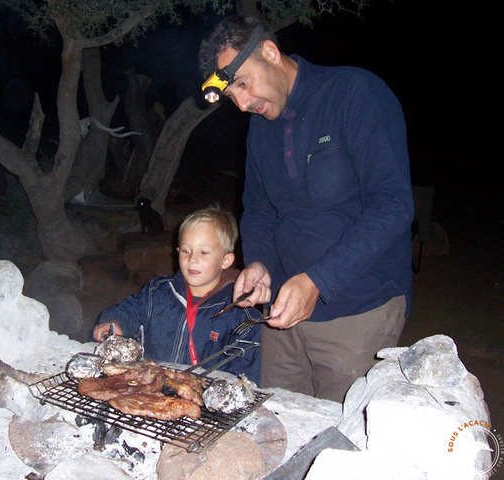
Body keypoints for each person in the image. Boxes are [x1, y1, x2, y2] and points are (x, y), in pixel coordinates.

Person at [198, 16, 414, 402]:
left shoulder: (353, 93)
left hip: (357, 312)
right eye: (233, 96)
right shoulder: (262, 125)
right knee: (281, 424)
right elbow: (259, 209)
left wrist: (317, 280)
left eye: (243, 84)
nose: (243, 104)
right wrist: (260, 263)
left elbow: (393, 205)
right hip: (281, 315)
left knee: (340, 438)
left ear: (269, 52)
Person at [93, 206, 262, 384]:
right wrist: (115, 320)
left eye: (203, 252)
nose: (192, 259)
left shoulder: (240, 314)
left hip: (203, 401)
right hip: (151, 389)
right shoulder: (158, 292)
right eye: (186, 251)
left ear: (226, 260)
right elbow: (132, 308)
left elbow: (245, 374)